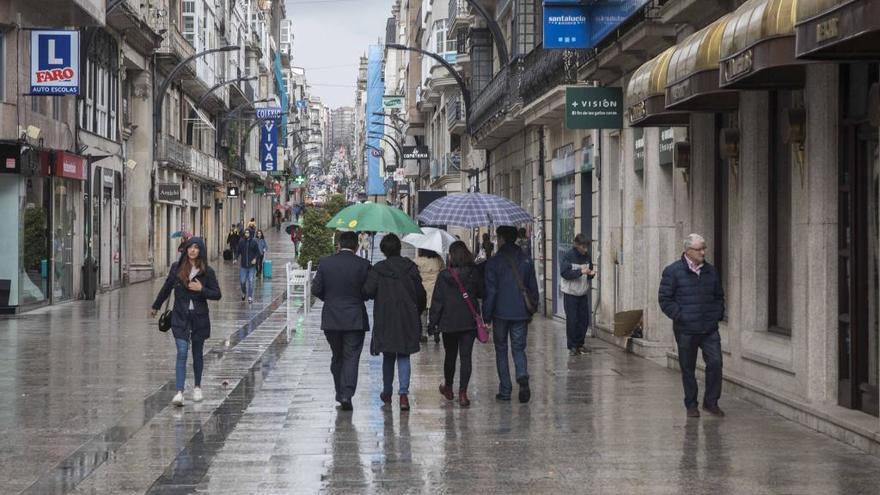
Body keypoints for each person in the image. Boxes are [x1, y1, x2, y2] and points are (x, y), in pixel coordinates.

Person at [659, 233, 725, 418]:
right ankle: (691, 404)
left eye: (704, 248)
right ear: (688, 251)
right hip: (686, 329)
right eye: (699, 249)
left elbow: (719, 296)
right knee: (688, 368)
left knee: (716, 363)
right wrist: (681, 316)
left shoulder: (711, 271)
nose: (703, 252)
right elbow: (665, 299)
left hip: (709, 328)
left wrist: (717, 314)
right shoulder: (673, 271)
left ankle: (711, 402)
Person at [151, 237, 222, 407]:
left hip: (199, 317)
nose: (193, 250)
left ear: (201, 251)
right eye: (190, 247)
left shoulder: (207, 272)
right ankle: (179, 392)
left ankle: (197, 387)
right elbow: (167, 287)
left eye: (196, 248)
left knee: (197, 353)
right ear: (186, 249)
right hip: (180, 316)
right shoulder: (177, 268)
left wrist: (202, 289)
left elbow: (217, 294)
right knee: (182, 351)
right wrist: (156, 306)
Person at [362, 234, 426, 411]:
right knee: (404, 355)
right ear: (399, 248)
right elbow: (421, 294)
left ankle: (387, 391)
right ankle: (404, 395)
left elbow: (367, 291)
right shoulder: (410, 268)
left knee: (388, 356)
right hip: (406, 317)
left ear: (383, 250)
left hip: (385, 317)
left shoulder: (379, 269)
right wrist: (416, 312)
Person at [311, 231, 372, 411]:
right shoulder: (363, 265)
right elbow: (368, 291)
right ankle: (346, 394)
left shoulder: (326, 263)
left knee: (337, 356)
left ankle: (340, 391)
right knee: (351, 357)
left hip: (332, 318)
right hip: (354, 318)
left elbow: (316, 289)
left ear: (339, 244)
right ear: (356, 246)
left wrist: (329, 299)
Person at [483, 226, 539, 403]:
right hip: (520, 313)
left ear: (500, 239)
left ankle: (505, 390)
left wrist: (487, 316)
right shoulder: (526, 259)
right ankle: (522, 375)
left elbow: (490, 292)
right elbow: (533, 289)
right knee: (518, 348)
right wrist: (532, 308)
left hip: (500, 313)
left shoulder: (494, 262)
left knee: (501, 350)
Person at [429, 241, 483, 407]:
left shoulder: (445, 275)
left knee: (450, 356)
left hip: (449, 322)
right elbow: (482, 293)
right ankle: (463, 394)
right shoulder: (474, 272)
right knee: (466, 357)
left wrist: (433, 323)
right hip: (468, 321)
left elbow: (437, 301)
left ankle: (449, 388)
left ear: (451, 256)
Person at [560, 234, 596, 356]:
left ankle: (580, 343)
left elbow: (589, 270)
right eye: (583, 247)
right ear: (576, 245)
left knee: (583, 320)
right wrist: (580, 272)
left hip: (582, 293)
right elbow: (564, 273)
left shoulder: (587, 256)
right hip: (571, 294)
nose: (585, 250)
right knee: (572, 320)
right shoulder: (568, 256)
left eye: (587, 247)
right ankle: (572, 346)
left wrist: (591, 273)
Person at [415, 249, 444, 344]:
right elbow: (443, 272)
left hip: (422, 290)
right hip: (436, 290)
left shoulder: (417, 261)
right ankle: (435, 330)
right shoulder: (438, 259)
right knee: (435, 312)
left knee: (423, 313)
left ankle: (423, 334)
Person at [238, 228, 260, 303]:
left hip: (251, 266)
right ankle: (244, 292)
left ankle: (250, 296)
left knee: (251, 281)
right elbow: (238, 251)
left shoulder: (254, 242)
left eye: (247, 233)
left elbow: (258, 252)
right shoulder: (241, 242)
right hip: (243, 266)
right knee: (242, 281)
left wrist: (255, 259)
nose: (246, 234)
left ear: (250, 233)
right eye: (245, 233)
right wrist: (235, 258)